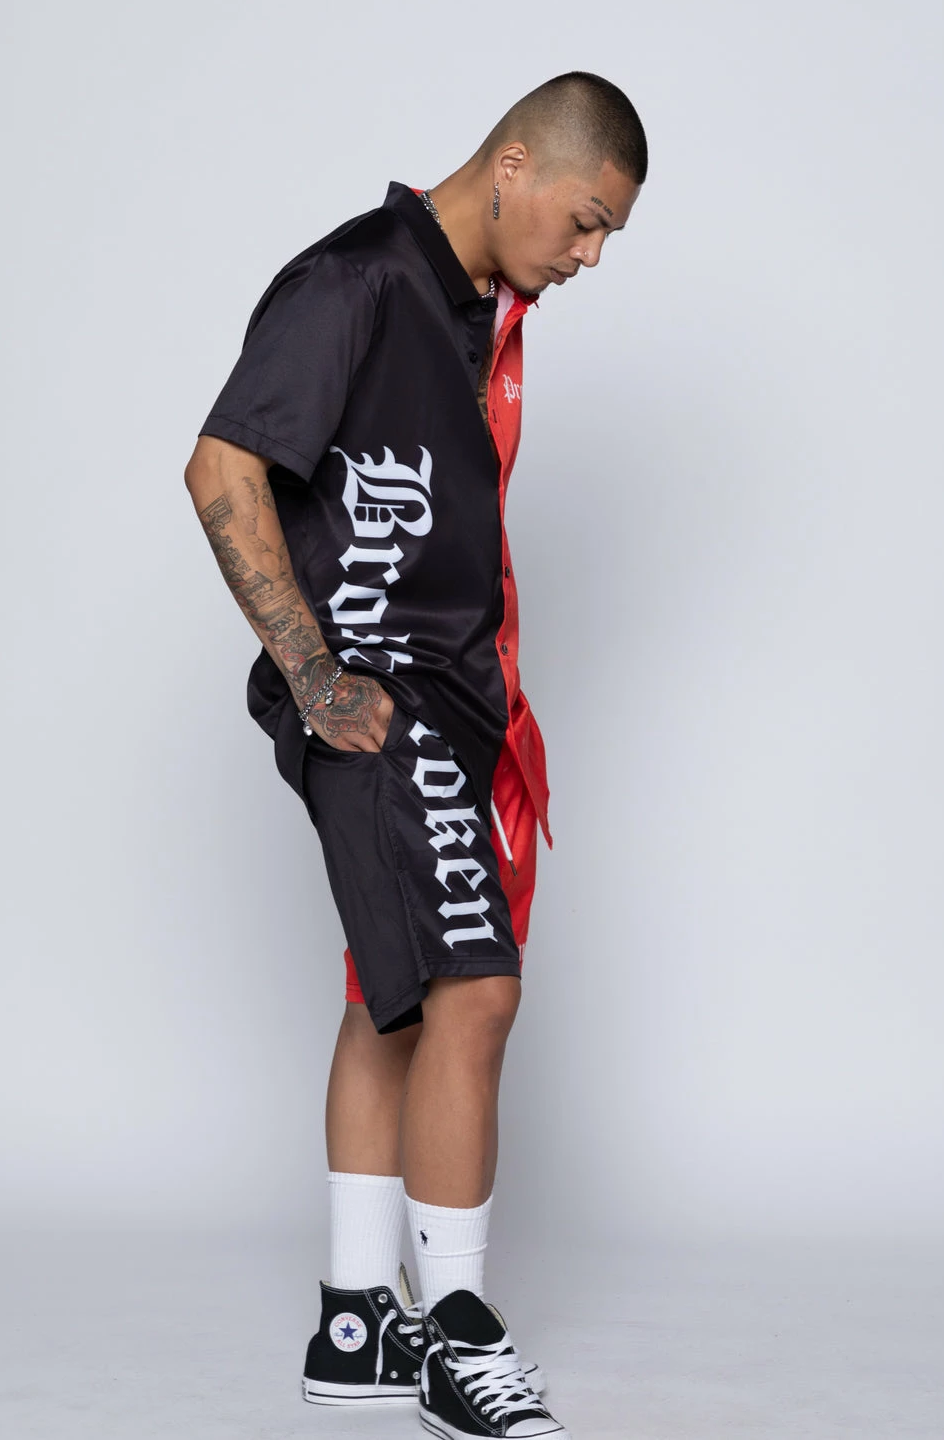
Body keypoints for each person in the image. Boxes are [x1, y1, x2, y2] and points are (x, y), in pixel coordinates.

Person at [183, 71, 646, 1439]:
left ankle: (354, 1323)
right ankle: (455, 1332)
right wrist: (316, 680)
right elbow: (222, 468)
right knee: (475, 992)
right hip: (384, 708)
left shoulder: (462, 306)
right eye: (585, 219)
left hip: (451, 703)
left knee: (390, 998)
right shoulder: (358, 284)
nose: (590, 256)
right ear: (513, 165)